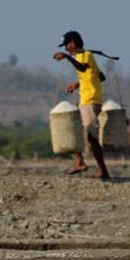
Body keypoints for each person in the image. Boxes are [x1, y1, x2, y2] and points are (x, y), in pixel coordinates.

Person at [53, 31, 110, 179]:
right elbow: (100, 77)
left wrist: (66, 57)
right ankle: (81, 161)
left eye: (66, 45)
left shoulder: (85, 56)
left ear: (72, 43)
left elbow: (84, 68)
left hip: (90, 100)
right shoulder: (85, 56)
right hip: (87, 99)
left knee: (91, 137)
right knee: (73, 128)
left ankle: (100, 170)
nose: (66, 48)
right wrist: (78, 84)